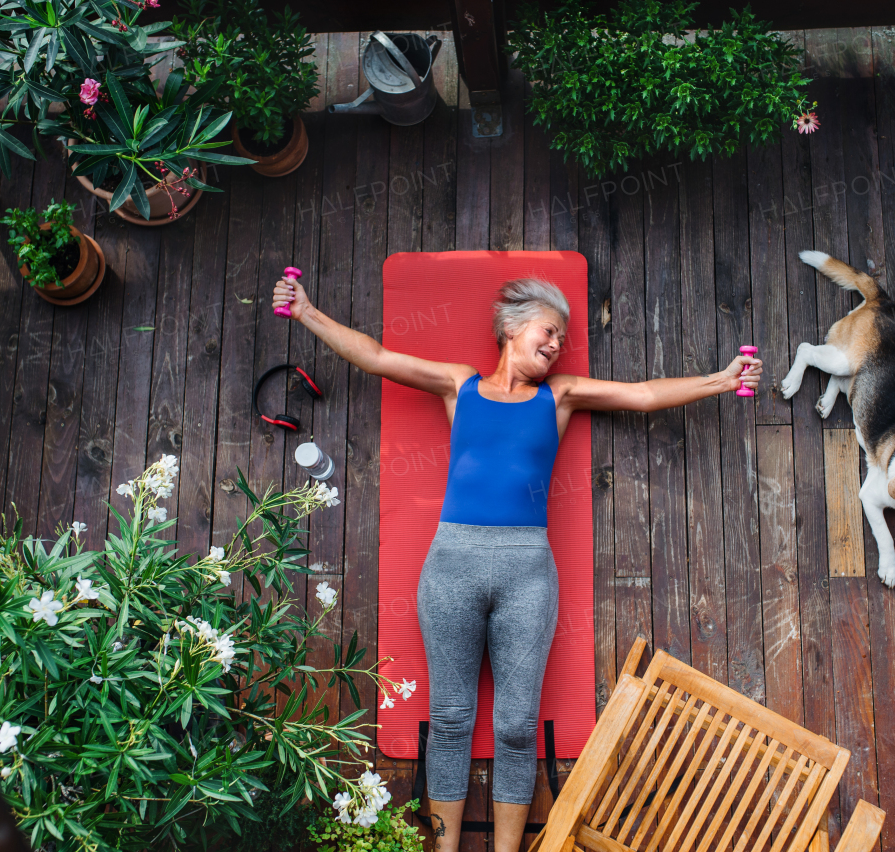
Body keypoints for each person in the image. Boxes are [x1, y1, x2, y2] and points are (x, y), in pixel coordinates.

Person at [271, 275, 762, 852]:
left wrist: (720, 380)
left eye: (562, 337)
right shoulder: (460, 386)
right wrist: (306, 312)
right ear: (511, 329)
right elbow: (376, 357)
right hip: (452, 563)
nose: (556, 344)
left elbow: (644, 394)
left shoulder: (562, 395)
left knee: (516, 727)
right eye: (549, 330)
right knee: (451, 719)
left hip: (527, 570)